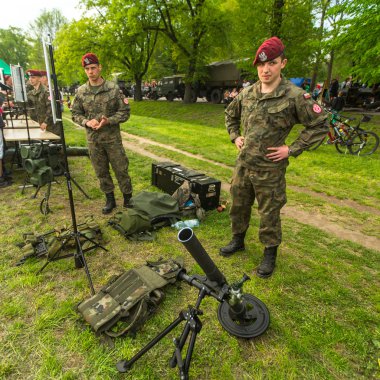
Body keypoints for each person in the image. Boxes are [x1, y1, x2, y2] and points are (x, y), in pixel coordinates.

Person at [220, 37, 328, 278]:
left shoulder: (295, 96)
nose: (265, 69)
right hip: (244, 165)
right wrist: (235, 136)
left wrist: (291, 149)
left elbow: (320, 124)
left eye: (272, 64)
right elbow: (230, 114)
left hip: (270, 168)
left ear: (283, 63)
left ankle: (269, 254)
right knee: (238, 204)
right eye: (260, 65)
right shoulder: (248, 93)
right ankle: (237, 240)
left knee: (269, 211)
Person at [71, 53, 133, 214]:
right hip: (94, 140)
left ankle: (128, 198)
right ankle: (110, 199)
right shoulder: (81, 91)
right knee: (101, 171)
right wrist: (86, 122)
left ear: (99, 67)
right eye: (87, 69)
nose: (90, 72)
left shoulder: (113, 88)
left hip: (112, 139)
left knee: (121, 169)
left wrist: (109, 120)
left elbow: (125, 112)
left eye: (93, 68)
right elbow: (75, 113)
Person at [26, 70, 61, 137]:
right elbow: (28, 105)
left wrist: (45, 122)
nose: (30, 80)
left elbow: (51, 108)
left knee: (54, 144)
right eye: (29, 78)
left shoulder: (46, 91)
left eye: (33, 77)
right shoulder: (31, 93)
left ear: (39, 79)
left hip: (50, 125)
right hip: (40, 123)